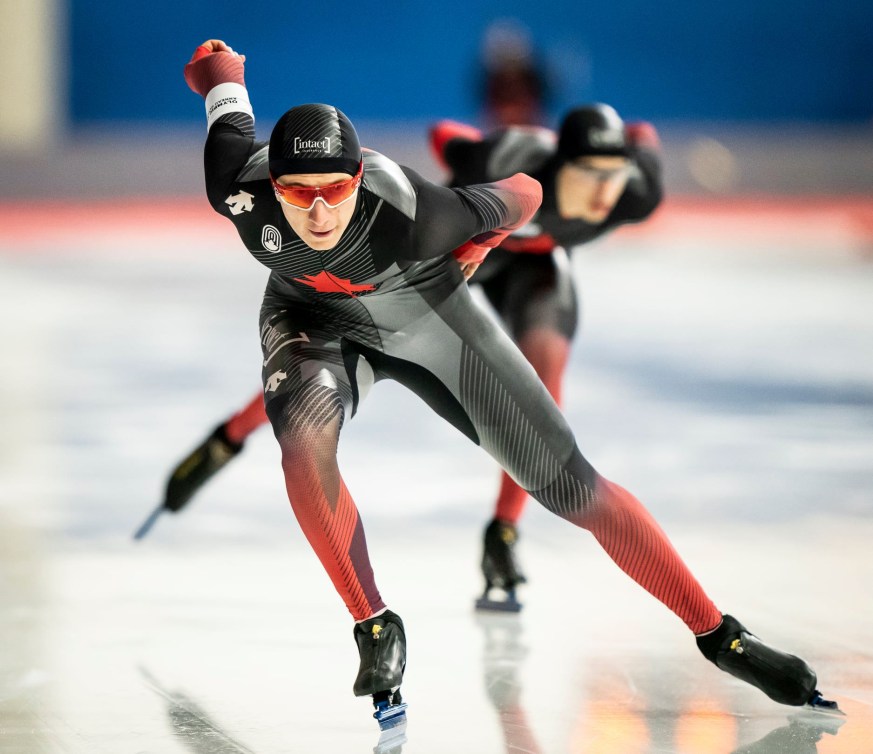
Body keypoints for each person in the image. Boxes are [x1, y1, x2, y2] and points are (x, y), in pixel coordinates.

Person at [179, 38, 837, 726]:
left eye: (335, 191)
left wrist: (476, 247)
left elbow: (524, 193)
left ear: (357, 179)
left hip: (431, 318)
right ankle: (374, 625)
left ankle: (718, 634)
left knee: (571, 486)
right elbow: (227, 105)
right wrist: (221, 71)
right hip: (311, 320)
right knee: (303, 445)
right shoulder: (235, 189)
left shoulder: (411, 210)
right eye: (297, 194)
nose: (317, 213)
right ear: (269, 187)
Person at [149, 102, 662, 615]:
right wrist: (470, 213)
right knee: (324, 363)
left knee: (544, 371)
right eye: (588, 174)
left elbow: (639, 149)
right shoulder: (498, 160)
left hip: (533, 264)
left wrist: (640, 137)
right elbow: (447, 135)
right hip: (464, 250)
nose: (602, 193)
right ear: (559, 162)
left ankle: (503, 534)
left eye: (614, 176)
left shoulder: (635, 196)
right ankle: (233, 433)